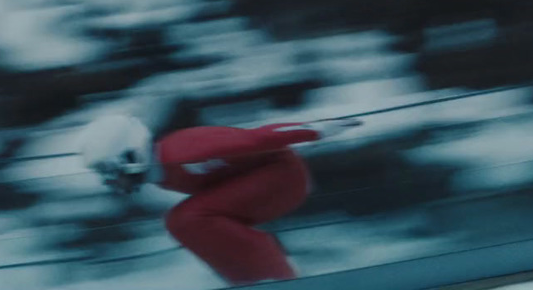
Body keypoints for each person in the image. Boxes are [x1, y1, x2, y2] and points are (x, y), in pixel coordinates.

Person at [77, 113, 363, 285]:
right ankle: (255, 279)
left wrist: (316, 129)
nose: (108, 180)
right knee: (186, 222)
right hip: (258, 181)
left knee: (187, 220)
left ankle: (278, 277)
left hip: (281, 177)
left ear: (131, 156)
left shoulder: (185, 156)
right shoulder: (163, 168)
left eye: (109, 169)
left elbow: (255, 139)